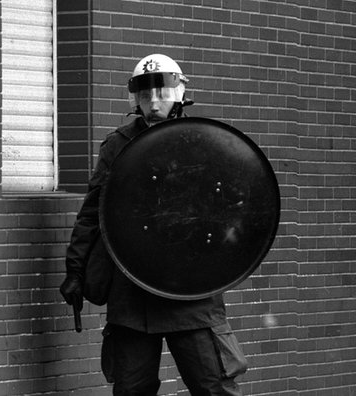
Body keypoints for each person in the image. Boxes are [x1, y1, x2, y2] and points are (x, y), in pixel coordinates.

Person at [59, 54, 248, 395]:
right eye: (145, 94)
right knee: (131, 389)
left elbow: (231, 212)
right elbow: (92, 213)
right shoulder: (117, 145)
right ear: (135, 98)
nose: (153, 101)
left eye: (161, 92)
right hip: (132, 293)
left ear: (179, 94)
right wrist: (75, 270)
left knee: (213, 387)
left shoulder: (203, 141)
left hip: (190, 292)